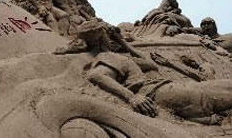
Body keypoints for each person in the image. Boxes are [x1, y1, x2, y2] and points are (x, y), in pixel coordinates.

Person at [87, 27, 232, 124]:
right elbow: (96, 75)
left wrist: (123, 43)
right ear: (104, 40)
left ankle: (206, 118)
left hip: (166, 87)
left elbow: (149, 62)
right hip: (158, 91)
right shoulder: (109, 56)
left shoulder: (126, 59)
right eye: (111, 37)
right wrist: (131, 97)